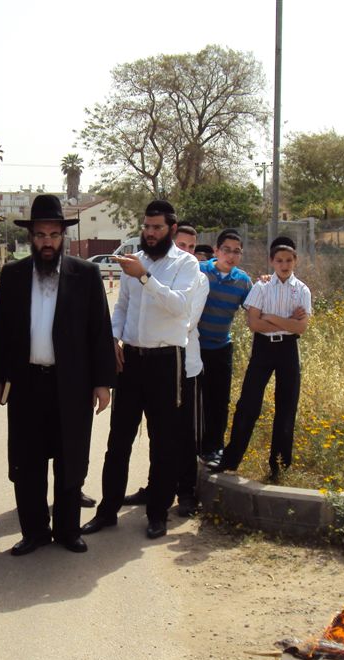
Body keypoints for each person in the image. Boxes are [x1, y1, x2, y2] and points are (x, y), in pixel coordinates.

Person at [0, 195, 116, 555]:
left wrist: (103, 382)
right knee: (28, 462)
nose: (47, 241)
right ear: (32, 237)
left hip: (71, 385)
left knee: (70, 459)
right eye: (41, 234)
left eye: (54, 234)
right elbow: (0, 331)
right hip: (27, 383)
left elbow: (99, 332)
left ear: (63, 237)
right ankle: (34, 532)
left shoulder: (86, 275)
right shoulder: (13, 276)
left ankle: (67, 530)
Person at [82, 200, 202, 540]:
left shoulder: (187, 264)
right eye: (146, 227)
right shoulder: (135, 263)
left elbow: (180, 307)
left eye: (157, 228)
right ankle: (108, 511)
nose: (149, 234)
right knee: (118, 439)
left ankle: (157, 513)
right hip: (130, 360)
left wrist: (146, 278)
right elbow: (121, 307)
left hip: (166, 360)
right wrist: (113, 339)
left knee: (163, 441)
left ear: (172, 230)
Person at [122, 222, 209, 516]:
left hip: (183, 363)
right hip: (158, 360)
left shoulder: (196, 277)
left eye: (190, 247)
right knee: (158, 433)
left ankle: (185, 491)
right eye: (180, 245)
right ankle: (156, 488)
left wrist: (159, 319)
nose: (184, 252)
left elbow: (185, 319)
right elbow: (131, 307)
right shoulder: (153, 267)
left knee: (180, 434)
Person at [209, 241, 311, 481]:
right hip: (263, 348)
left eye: (288, 260)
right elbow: (254, 323)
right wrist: (287, 322)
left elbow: (301, 327)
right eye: (279, 260)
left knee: (287, 407)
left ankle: (279, 467)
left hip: (288, 349)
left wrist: (272, 316)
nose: (284, 265)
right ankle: (230, 459)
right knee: (248, 404)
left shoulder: (302, 290)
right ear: (272, 262)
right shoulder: (262, 287)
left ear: (295, 261)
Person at [197, 229, 254, 464]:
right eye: (227, 250)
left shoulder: (243, 281)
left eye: (237, 252)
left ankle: (214, 448)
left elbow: (254, 309)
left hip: (221, 348)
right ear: (217, 251)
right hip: (193, 348)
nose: (231, 256)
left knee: (219, 400)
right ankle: (193, 445)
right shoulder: (200, 272)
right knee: (194, 401)